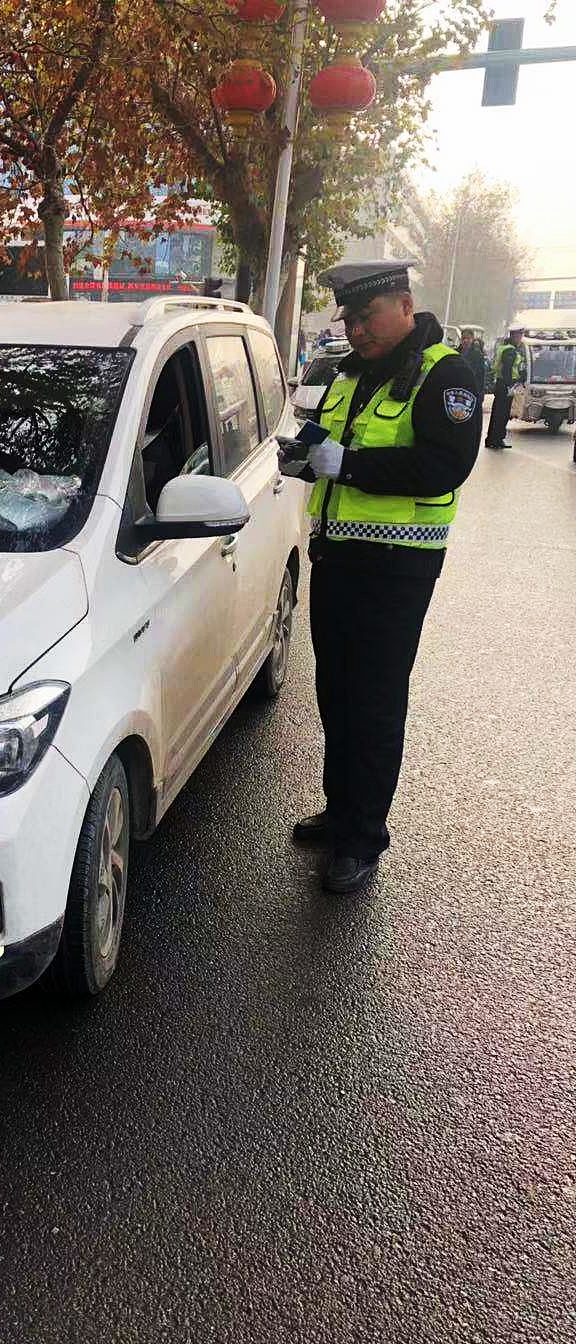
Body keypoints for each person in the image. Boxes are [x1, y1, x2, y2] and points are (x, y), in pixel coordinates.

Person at [277, 260, 481, 894]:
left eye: (367, 317)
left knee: (374, 700)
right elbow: (334, 448)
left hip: (397, 567)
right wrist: (308, 459)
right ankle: (341, 811)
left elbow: (444, 466)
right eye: (350, 320)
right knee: (335, 693)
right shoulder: (352, 372)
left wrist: (350, 466)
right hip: (338, 557)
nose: (357, 330)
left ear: (405, 305)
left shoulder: (446, 373)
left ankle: (363, 838)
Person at [484, 327, 527, 449]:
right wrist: (510, 386)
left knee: (497, 413)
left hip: (501, 384)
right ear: (514, 336)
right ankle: (497, 439)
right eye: (519, 336)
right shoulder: (510, 351)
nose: (520, 339)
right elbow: (507, 370)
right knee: (502, 415)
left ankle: (492, 439)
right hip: (506, 385)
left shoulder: (504, 347)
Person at [459, 328, 487, 399]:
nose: (465, 340)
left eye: (468, 338)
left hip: (472, 391)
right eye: (463, 338)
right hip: (458, 389)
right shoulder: (456, 353)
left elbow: (481, 375)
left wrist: (481, 394)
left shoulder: (477, 355)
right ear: (461, 339)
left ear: (472, 339)